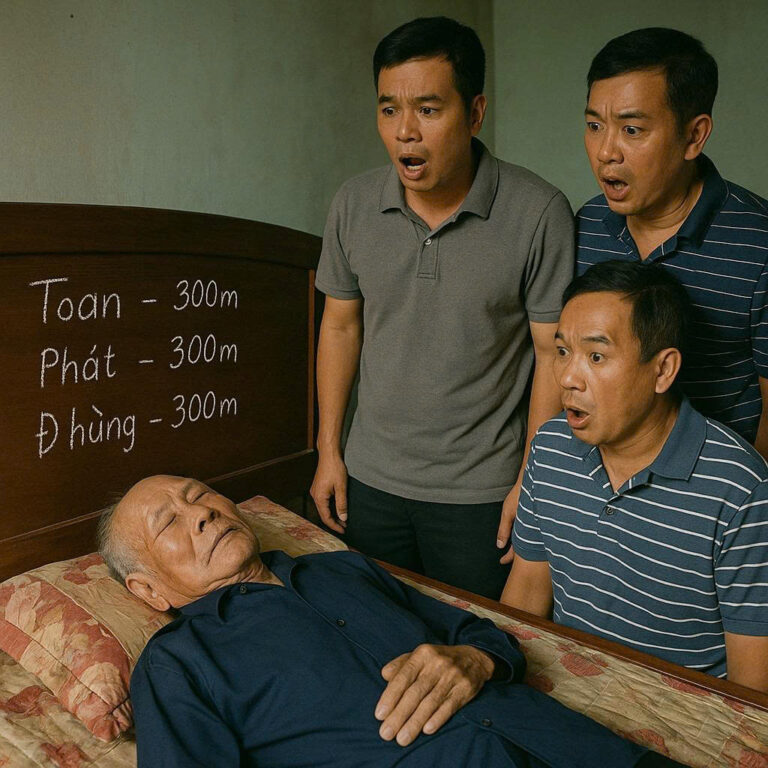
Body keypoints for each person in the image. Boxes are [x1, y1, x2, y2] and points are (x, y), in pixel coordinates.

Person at [99, 474, 681, 768]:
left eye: (200, 495)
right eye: (168, 523)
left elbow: (482, 634)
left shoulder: (340, 568)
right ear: (147, 590)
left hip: (580, 750)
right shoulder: (176, 663)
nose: (200, 513)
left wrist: (475, 660)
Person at [311, 16, 574, 598]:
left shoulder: (538, 212)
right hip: (369, 481)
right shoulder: (353, 204)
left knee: (482, 643)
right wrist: (329, 450)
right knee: (376, 636)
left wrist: (530, 481)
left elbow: (551, 353)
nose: (405, 132)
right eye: (389, 110)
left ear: (475, 113)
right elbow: (340, 326)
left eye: (428, 110)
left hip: (482, 494)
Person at [501, 261, 768, 692]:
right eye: (563, 352)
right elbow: (527, 595)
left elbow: (753, 688)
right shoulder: (549, 446)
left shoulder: (742, 490)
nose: (567, 378)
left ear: (662, 370)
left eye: (596, 356)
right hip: (562, 697)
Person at [576, 27, 768, 459]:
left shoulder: (759, 244)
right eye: (594, 125)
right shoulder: (583, 227)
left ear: (694, 136)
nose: (606, 151)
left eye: (631, 129)